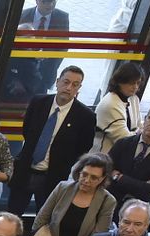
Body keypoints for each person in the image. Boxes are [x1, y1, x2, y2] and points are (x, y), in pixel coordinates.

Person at [8, 68, 97, 219]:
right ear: (57, 82)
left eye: (75, 85)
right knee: (11, 216)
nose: (69, 88)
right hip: (25, 171)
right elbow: (27, 130)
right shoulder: (38, 102)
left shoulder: (85, 116)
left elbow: (83, 148)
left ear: (79, 88)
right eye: (66, 82)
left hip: (52, 178)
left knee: (44, 221)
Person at [25, 152, 117, 236]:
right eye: (84, 174)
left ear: (102, 179)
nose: (86, 180)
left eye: (94, 178)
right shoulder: (63, 187)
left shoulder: (107, 201)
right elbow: (41, 219)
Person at [97, 61, 148, 152]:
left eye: (138, 83)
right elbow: (124, 140)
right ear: (120, 81)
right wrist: (140, 132)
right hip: (103, 157)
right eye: (131, 83)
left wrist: (140, 131)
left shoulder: (133, 99)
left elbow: (139, 125)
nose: (135, 87)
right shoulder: (110, 104)